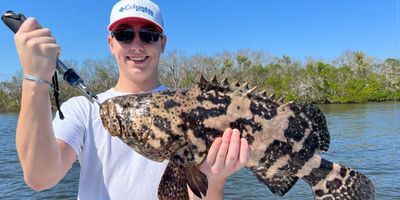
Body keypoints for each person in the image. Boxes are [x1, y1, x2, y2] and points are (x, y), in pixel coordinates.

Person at [14, 0, 250, 199]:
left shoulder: (193, 107)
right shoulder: (82, 109)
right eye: (124, 35)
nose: (136, 45)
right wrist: (35, 80)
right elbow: (40, 177)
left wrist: (215, 179)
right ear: (110, 43)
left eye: (148, 35)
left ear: (163, 43)